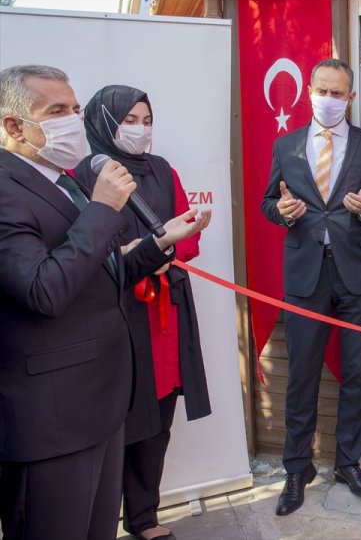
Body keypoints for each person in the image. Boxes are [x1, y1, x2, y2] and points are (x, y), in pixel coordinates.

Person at [0, 65, 210, 540]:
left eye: (75, 109)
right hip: (52, 420)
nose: (73, 121)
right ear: (14, 126)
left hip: (102, 403)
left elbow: (102, 273)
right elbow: (44, 289)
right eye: (56, 111)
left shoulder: (63, 182)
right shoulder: (8, 189)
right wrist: (101, 209)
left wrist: (161, 242)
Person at [72, 85, 212, 540]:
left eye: (147, 120)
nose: (141, 129)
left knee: (159, 415)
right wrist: (133, 253)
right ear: (104, 123)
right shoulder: (81, 175)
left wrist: (177, 244)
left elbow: (185, 232)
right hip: (116, 313)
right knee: (118, 418)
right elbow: (79, 248)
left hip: (163, 312)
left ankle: (144, 517)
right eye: (130, 120)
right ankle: (101, 521)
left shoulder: (162, 169)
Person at [261, 58, 361, 516]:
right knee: (301, 374)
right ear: (309, 92)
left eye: (338, 93)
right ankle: (297, 469)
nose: (329, 99)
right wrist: (283, 212)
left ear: (350, 98)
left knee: (358, 372)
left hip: (359, 275)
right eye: (323, 91)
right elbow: (268, 201)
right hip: (305, 274)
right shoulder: (286, 144)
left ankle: (347, 463)